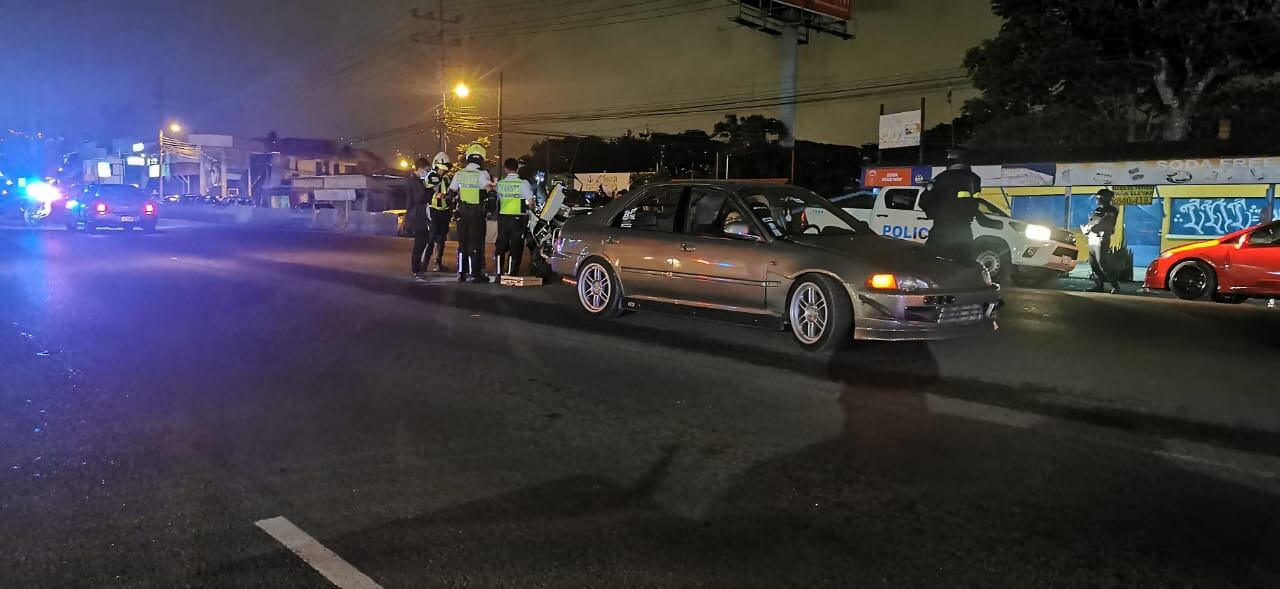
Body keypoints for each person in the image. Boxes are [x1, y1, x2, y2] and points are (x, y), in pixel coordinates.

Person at [921, 149, 983, 261]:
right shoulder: (975, 179)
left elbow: (924, 202)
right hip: (964, 231)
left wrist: (929, 189)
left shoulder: (943, 178)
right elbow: (973, 203)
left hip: (942, 231)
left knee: (929, 264)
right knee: (962, 267)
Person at [449, 142, 494, 283]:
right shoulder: (482, 174)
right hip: (476, 215)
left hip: (461, 214)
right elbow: (490, 192)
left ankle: (461, 272)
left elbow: (451, 194)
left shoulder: (459, 174)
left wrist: (453, 211)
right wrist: (491, 209)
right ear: (482, 158)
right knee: (476, 243)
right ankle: (475, 273)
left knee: (462, 244)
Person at [494, 158, 535, 278]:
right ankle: (512, 273)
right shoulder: (523, 183)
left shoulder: (500, 184)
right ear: (517, 169)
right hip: (517, 219)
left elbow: (496, 199)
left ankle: (498, 273)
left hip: (502, 219)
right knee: (515, 246)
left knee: (501, 246)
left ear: (505, 169)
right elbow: (531, 202)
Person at [1082, 188, 1122, 294]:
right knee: (1094, 265)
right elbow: (1092, 222)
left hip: (1101, 240)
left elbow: (1103, 224)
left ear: (1105, 198)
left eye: (1099, 197)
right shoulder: (1098, 209)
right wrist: (1086, 228)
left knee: (1104, 264)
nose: (1096, 199)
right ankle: (1099, 285)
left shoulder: (1111, 210)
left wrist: (1094, 227)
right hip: (1092, 239)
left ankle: (1115, 286)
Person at [421, 160, 451, 272]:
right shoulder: (431, 176)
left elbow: (449, 192)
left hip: (444, 210)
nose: (445, 170)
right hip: (433, 210)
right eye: (444, 168)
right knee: (431, 238)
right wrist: (438, 194)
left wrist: (448, 196)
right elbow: (427, 190)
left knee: (442, 238)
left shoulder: (446, 178)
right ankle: (424, 263)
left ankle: (438, 263)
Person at [404, 158, 432, 278]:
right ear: (420, 169)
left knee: (421, 242)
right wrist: (431, 191)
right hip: (417, 216)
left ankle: (417, 268)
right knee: (420, 243)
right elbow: (420, 197)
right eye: (426, 170)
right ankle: (416, 269)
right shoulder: (414, 181)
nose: (427, 172)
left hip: (417, 215)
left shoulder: (415, 180)